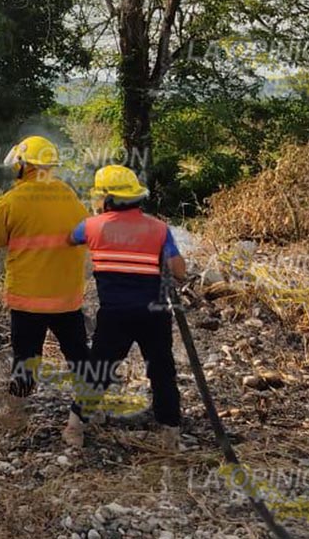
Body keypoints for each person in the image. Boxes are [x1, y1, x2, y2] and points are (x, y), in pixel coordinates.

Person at [64, 164, 187, 450]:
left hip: (115, 315)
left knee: (99, 370)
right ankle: (171, 434)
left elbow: (70, 239)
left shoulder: (90, 226)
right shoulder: (159, 228)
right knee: (162, 371)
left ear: (106, 198)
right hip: (154, 314)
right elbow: (179, 271)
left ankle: (74, 428)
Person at [0, 136, 90, 424]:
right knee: (78, 353)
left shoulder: (13, 199)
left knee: (26, 355)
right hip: (66, 296)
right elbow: (83, 231)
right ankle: (91, 406)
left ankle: (17, 410)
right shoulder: (68, 195)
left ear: (24, 165)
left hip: (29, 299)